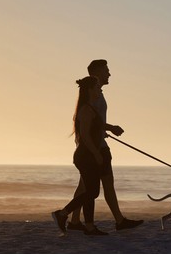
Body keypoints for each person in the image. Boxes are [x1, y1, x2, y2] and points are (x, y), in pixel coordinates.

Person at [66, 59, 143, 231]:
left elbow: (94, 122)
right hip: (95, 148)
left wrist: (106, 129)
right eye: (106, 70)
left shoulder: (96, 92)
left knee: (86, 186)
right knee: (101, 185)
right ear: (96, 72)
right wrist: (107, 131)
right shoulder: (94, 94)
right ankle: (117, 221)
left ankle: (75, 220)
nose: (109, 73)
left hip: (94, 145)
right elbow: (88, 120)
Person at [52, 76, 108, 235]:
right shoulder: (85, 109)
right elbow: (84, 135)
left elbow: (93, 130)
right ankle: (62, 214)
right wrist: (97, 153)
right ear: (90, 90)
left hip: (88, 155)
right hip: (85, 156)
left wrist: (106, 131)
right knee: (92, 192)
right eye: (97, 87)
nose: (100, 89)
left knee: (90, 191)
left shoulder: (90, 108)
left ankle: (89, 226)